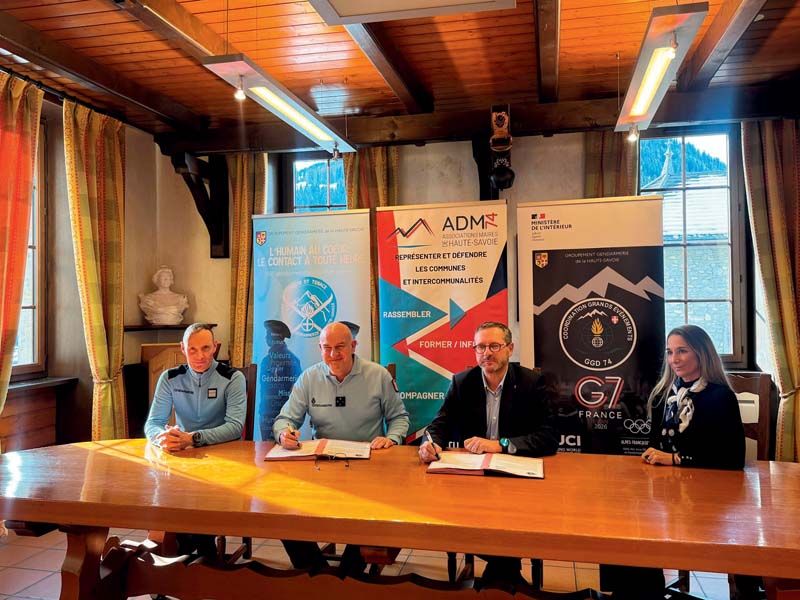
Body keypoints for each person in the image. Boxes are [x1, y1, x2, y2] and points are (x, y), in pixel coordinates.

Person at [602, 324, 746, 600]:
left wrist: (676, 459)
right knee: (622, 529)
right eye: (669, 352)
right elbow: (657, 444)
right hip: (666, 493)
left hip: (707, 500)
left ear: (701, 353)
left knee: (641, 539)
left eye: (682, 351)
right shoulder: (664, 395)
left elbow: (732, 458)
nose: (674, 359)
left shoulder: (720, 396)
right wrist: (653, 455)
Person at [419, 321, 558, 587]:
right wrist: (430, 443)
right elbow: (440, 424)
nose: (487, 353)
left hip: (516, 481)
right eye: (480, 347)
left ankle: (499, 579)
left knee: (505, 523)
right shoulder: (462, 382)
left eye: (494, 346)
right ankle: (505, 580)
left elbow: (549, 437)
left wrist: (501, 444)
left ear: (510, 349)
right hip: (474, 482)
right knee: (471, 520)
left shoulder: (531, 382)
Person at [273, 321, 410, 573]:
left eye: (340, 347)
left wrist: (391, 438)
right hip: (322, 467)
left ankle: (348, 577)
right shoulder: (309, 377)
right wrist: (284, 434)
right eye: (327, 348)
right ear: (320, 349)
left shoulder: (378, 375)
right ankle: (317, 575)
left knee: (369, 517)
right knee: (282, 514)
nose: (333, 354)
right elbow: (285, 419)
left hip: (368, 467)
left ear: (353, 346)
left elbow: (399, 418)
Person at [144, 323, 247, 557]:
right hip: (183, 458)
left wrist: (193, 438)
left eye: (205, 348)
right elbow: (153, 423)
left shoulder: (233, 378)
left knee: (201, 502)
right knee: (165, 499)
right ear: (183, 349)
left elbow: (234, 427)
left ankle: (200, 555)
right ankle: (185, 554)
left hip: (225, 459)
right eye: (192, 349)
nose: (199, 356)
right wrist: (163, 438)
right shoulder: (169, 377)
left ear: (215, 347)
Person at [259, 320, 301, 441]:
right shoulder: (266, 360)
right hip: (266, 414)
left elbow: (296, 390)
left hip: (284, 415)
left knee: (284, 448)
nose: (265, 337)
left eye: (268, 334)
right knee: (266, 448)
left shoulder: (292, 360)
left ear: (276, 337)